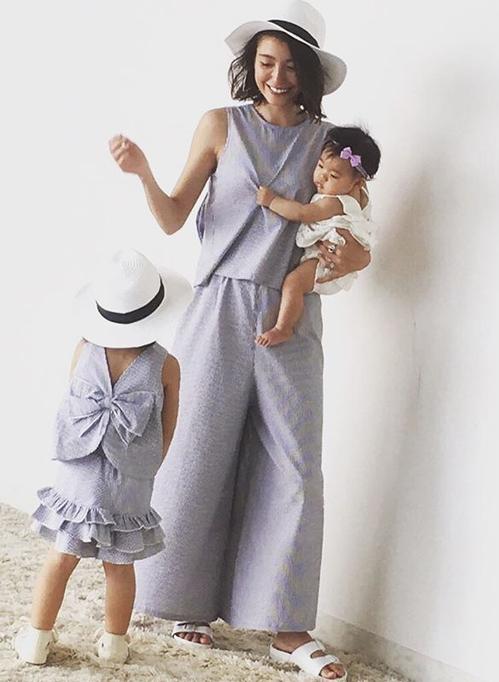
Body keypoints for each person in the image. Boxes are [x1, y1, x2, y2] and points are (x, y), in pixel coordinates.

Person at [109, 2, 371, 678]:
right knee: (199, 449)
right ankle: (184, 602)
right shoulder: (219, 124)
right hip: (219, 303)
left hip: (291, 310)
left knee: (296, 466)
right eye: (265, 63)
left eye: (290, 67)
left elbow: (350, 228)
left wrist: (345, 257)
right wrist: (143, 172)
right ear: (249, 65)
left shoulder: (330, 144)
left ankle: (288, 626)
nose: (277, 78)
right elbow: (173, 217)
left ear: (311, 73)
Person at [14, 250, 188, 665]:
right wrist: (148, 465)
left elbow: (73, 407)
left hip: (78, 473)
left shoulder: (83, 348)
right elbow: (168, 427)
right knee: (119, 566)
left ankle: (36, 638)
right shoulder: (166, 366)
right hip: (128, 480)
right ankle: (113, 644)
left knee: (61, 557)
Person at [256, 125, 381, 346]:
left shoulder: (335, 202)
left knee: (293, 283)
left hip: (326, 260)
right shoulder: (358, 195)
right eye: (320, 165)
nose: (321, 177)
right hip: (334, 255)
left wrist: (272, 201)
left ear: (356, 183)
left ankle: (283, 328)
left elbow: (303, 213)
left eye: (333, 176)